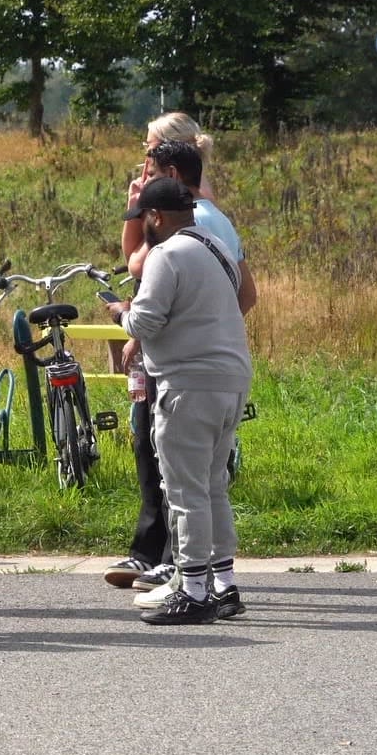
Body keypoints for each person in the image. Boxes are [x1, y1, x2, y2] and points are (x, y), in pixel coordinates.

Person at [107, 138, 258, 591]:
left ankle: (191, 587)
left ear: (155, 217)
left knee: (184, 490)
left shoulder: (166, 254)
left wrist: (121, 314)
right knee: (213, 487)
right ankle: (223, 582)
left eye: (144, 219)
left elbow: (148, 321)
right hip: (231, 380)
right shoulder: (216, 246)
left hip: (187, 384)